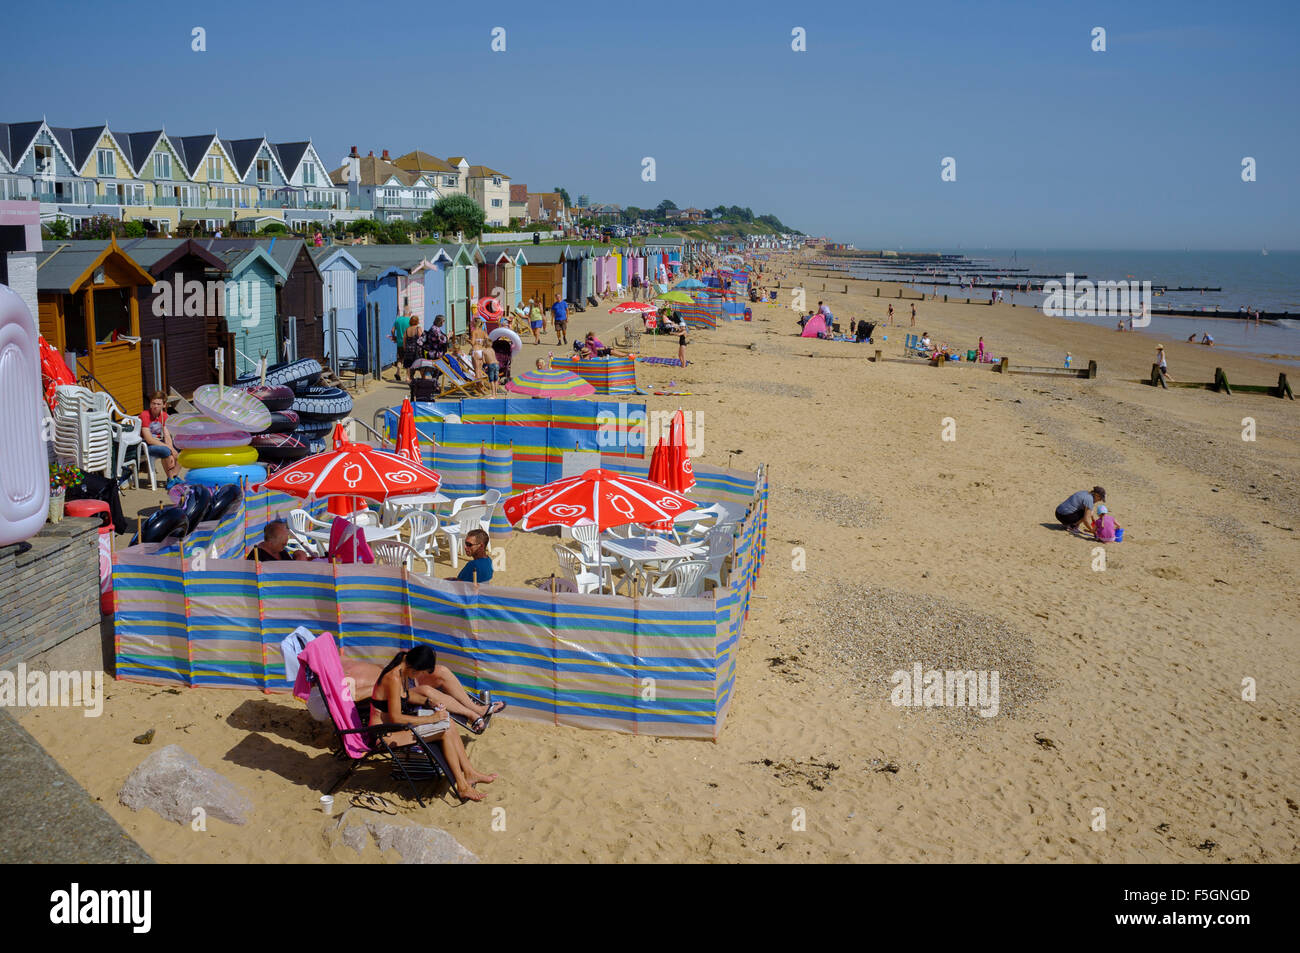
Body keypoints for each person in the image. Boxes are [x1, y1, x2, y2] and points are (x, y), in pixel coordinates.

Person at [369, 646, 497, 802]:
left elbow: (405, 696)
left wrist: (429, 702)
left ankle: (469, 773)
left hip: (395, 729)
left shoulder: (403, 662)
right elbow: (396, 718)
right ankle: (462, 786)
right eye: (422, 672)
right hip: (383, 736)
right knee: (444, 729)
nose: (421, 676)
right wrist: (431, 718)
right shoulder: (394, 678)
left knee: (447, 721)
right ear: (415, 668)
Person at [139, 392, 182, 488]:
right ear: (150, 403)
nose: (155, 406)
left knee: (182, 447)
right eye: (153, 403)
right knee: (166, 451)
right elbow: (149, 439)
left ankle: (174, 476)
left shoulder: (164, 416)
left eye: (158, 404)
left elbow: (167, 435)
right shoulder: (145, 415)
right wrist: (170, 449)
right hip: (146, 445)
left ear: (164, 405)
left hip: (159, 442)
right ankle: (171, 479)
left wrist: (172, 448)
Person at [389, 313, 412, 381]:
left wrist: (394, 337)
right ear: (409, 313)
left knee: (400, 359)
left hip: (399, 343)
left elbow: (392, 330)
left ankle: (398, 372)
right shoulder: (410, 320)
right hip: (407, 343)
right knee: (408, 360)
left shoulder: (398, 320)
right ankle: (407, 376)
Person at [401, 316, 423, 383]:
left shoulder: (407, 329)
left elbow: (404, 340)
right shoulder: (418, 328)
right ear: (417, 321)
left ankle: (408, 377)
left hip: (408, 349)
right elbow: (421, 339)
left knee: (408, 364)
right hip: (416, 350)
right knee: (420, 364)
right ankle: (423, 377)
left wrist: (405, 348)